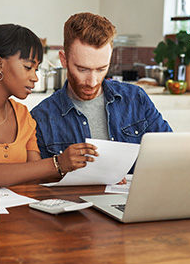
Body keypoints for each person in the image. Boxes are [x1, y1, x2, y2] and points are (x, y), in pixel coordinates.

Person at [0, 24, 98, 187]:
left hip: (15, 209)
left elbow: (36, 176)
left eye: (36, 69)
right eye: (28, 67)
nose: (35, 77)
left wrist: (93, 175)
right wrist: (58, 163)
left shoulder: (23, 115)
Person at [31, 12, 172, 161]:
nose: (92, 82)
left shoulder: (136, 98)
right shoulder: (41, 118)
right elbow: (40, 180)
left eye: (101, 69)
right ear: (64, 60)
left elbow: (170, 151)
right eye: (82, 69)